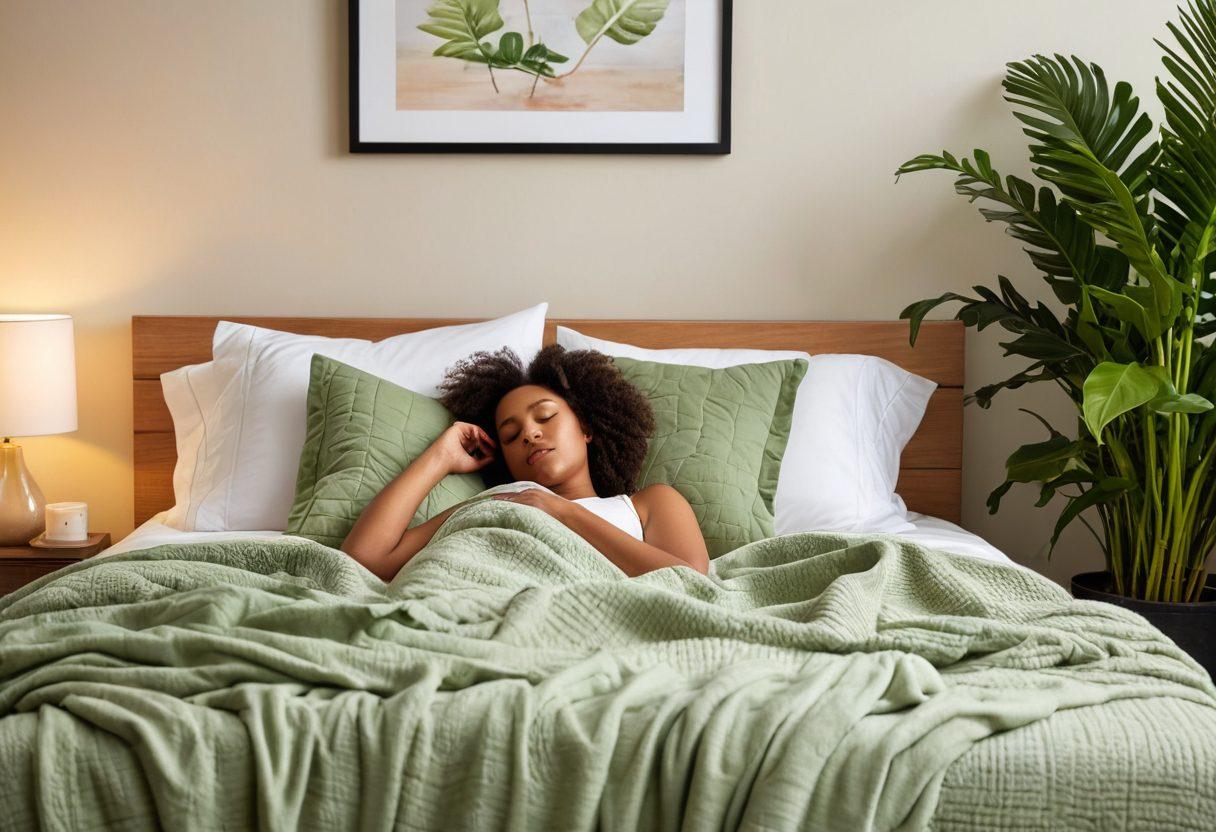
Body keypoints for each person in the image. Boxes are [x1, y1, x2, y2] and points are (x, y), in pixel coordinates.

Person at [341, 344, 711, 582]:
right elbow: (365, 559)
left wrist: (561, 512)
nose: (529, 435)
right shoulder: (500, 501)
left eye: (545, 417)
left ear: (586, 428)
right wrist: (440, 456)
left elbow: (690, 580)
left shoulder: (648, 503)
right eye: (509, 435)